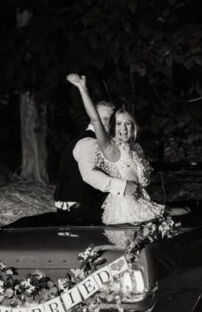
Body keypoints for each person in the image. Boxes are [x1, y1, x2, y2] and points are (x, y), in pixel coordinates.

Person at [66, 73, 169, 225]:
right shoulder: (110, 148)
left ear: (133, 126)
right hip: (124, 212)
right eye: (119, 124)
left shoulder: (136, 149)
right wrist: (82, 88)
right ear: (114, 127)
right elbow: (95, 119)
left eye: (127, 124)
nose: (123, 129)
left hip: (143, 205)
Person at [52, 91, 141, 225]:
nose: (107, 124)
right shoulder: (89, 141)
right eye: (103, 119)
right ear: (94, 120)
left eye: (111, 120)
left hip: (86, 204)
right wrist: (123, 186)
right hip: (77, 209)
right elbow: (89, 174)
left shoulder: (105, 141)